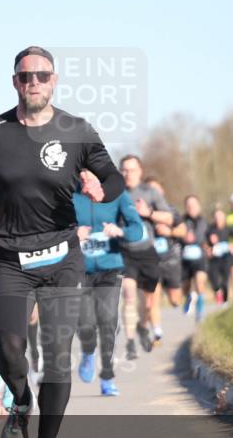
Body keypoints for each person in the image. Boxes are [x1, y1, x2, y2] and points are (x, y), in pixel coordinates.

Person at [0, 46, 124, 438]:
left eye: (42, 75)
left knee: (56, 355)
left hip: (61, 257)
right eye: (25, 76)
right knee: (11, 350)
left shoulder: (76, 130)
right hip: (8, 258)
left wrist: (99, 188)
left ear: (54, 80)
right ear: (15, 82)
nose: (34, 83)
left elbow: (115, 177)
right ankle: (20, 401)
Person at [73, 169, 144, 395]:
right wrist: (72, 234)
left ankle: (107, 377)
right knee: (85, 323)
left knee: (107, 320)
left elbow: (137, 229)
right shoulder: (68, 194)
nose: (85, 182)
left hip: (109, 268)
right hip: (79, 270)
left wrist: (119, 230)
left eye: (89, 177)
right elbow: (52, 227)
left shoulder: (117, 194)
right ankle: (87, 351)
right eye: (81, 178)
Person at [118, 156, 175, 359]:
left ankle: (142, 326)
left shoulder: (150, 193)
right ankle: (131, 342)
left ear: (140, 171)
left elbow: (169, 217)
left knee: (147, 302)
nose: (127, 174)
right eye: (124, 170)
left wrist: (148, 213)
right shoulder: (115, 193)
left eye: (131, 170)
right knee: (129, 295)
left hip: (147, 253)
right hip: (125, 253)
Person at [145, 177, 183, 346]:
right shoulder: (140, 212)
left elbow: (183, 231)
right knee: (153, 299)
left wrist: (169, 231)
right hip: (151, 261)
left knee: (176, 300)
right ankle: (157, 333)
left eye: (156, 190)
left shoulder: (170, 210)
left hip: (171, 260)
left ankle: (170, 291)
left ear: (162, 192)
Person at [179, 195, 210, 323]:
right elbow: (176, 236)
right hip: (184, 259)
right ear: (186, 207)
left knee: (200, 283)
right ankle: (189, 297)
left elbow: (207, 238)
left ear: (199, 206)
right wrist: (183, 237)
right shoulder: (181, 221)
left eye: (194, 204)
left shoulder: (204, 222)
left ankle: (200, 313)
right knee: (185, 287)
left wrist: (208, 245)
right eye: (189, 205)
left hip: (200, 258)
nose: (191, 207)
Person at [206, 206, 233, 305]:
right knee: (214, 279)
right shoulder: (210, 229)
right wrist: (209, 247)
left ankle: (225, 301)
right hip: (214, 259)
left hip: (226, 258)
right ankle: (217, 293)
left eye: (220, 217)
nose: (218, 219)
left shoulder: (229, 229)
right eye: (216, 217)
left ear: (224, 218)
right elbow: (204, 243)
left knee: (225, 280)